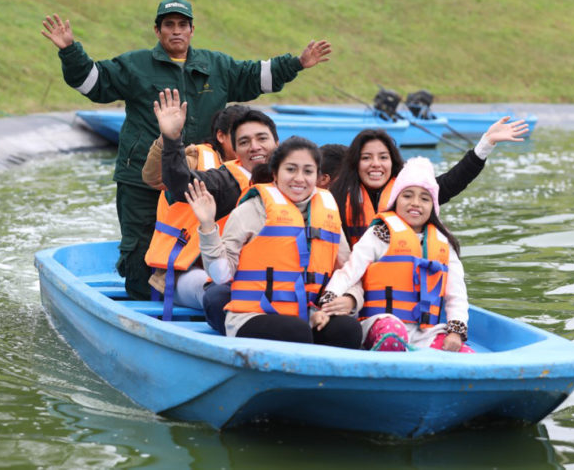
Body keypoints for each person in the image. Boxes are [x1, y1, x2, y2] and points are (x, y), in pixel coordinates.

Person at [41, 0, 331, 299]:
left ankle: (197, 305)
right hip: (141, 181)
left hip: (199, 182)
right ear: (157, 30)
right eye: (169, 25)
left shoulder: (216, 65)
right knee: (139, 253)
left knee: (196, 250)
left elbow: (257, 75)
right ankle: (142, 314)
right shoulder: (135, 64)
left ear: (192, 30)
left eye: (182, 24)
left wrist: (296, 63)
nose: (176, 31)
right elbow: (93, 83)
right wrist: (70, 51)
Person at [184, 137, 362, 347]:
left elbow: (350, 273)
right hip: (253, 315)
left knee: (348, 330)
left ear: (317, 176)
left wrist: (351, 299)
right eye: (291, 169)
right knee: (296, 332)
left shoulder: (328, 212)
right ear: (275, 173)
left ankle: (326, 380)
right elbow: (220, 274)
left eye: (307, 171)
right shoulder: (250, 210)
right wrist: (207, 226)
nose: (299, 178)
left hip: (308, 315)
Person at [321, 157, 475, 353]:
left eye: (424, 198)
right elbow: (349, 271)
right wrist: (329, 299)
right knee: (392, 334)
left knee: (465, 354)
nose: (415, 203)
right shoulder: (378, 234)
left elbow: (457, 295)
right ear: (396, 200)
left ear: (433, 206)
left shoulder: (444, 242)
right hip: (379, 323)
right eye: (407, 196)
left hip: (423, 332)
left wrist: (456, 331)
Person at [329, 117, 529, 247]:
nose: (376, 165)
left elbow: (452, 182)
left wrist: (486, 144)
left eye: (383, 157)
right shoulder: (336, 198)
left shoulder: (411, 193)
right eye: (366, 158)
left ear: (392, 161)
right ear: (355, 162)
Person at [141, 104, 249, 313]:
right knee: (223, 293)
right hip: (186, 269)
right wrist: (168, 137)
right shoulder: (197, 158)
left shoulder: (262, 171)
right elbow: (154, 177)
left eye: (257, 138)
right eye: (241, 137)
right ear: (221, 136)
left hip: (235, 265)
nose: (250, 145)